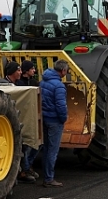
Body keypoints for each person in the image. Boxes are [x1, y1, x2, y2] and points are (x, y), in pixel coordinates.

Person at [40, 59, 69, 188]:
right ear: (63, 71)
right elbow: (61, 106)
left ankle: (45, 175)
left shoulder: (43, 82)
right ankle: (49, 178)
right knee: (53, 150)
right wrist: (63, 119)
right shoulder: (59, 86)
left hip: (44, 118)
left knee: (46, 148)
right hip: (54, 120)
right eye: (66, 71)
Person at [16, 60, 41, 183]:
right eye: (32, 69)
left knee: (35, 145)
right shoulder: (19, 84)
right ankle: (24, 170)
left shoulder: (35, 83)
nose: (34, 71)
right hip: (25, 116)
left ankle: (27, 167)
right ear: (27, 71)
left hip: (34, 116)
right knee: (26, 146)